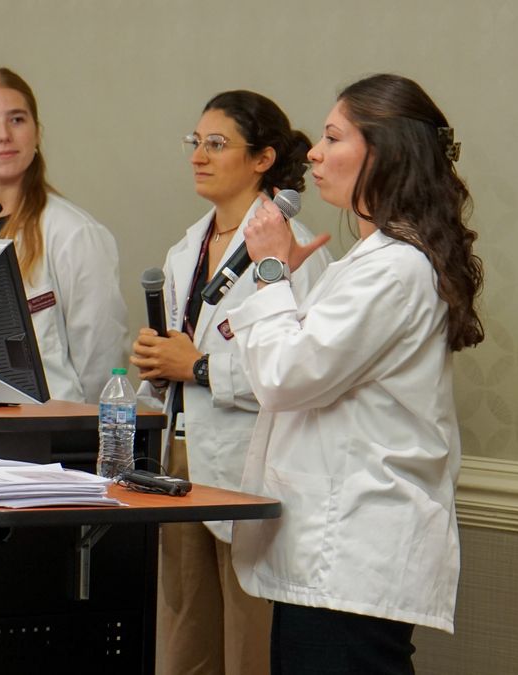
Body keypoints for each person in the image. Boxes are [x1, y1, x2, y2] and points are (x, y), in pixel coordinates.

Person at [226, 73, 484, 674]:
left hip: (350, 552)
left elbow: (287, 376)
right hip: (329, 554)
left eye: (333, 136)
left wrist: (267, 271)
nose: (313, 152)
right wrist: (277, 280)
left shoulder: (393, 269)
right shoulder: (368, 264)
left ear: (385, 153)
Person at [129, 91, 331, 674]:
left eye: (216, 144)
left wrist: (194, 366)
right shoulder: (184, 249)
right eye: (195, 143)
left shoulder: (294, 251)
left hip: (253, 464)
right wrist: (157, 361)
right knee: (184, 630)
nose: (199, 155)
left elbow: (298, 369)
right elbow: (182, 352)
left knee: (249, 639)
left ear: (262, 158)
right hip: (179, 458)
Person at [0, 67, 128, 403]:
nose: (3, 135)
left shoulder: (75, 234)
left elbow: (100, 362)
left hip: (49, 434)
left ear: (36, 133)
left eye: (17, 120)